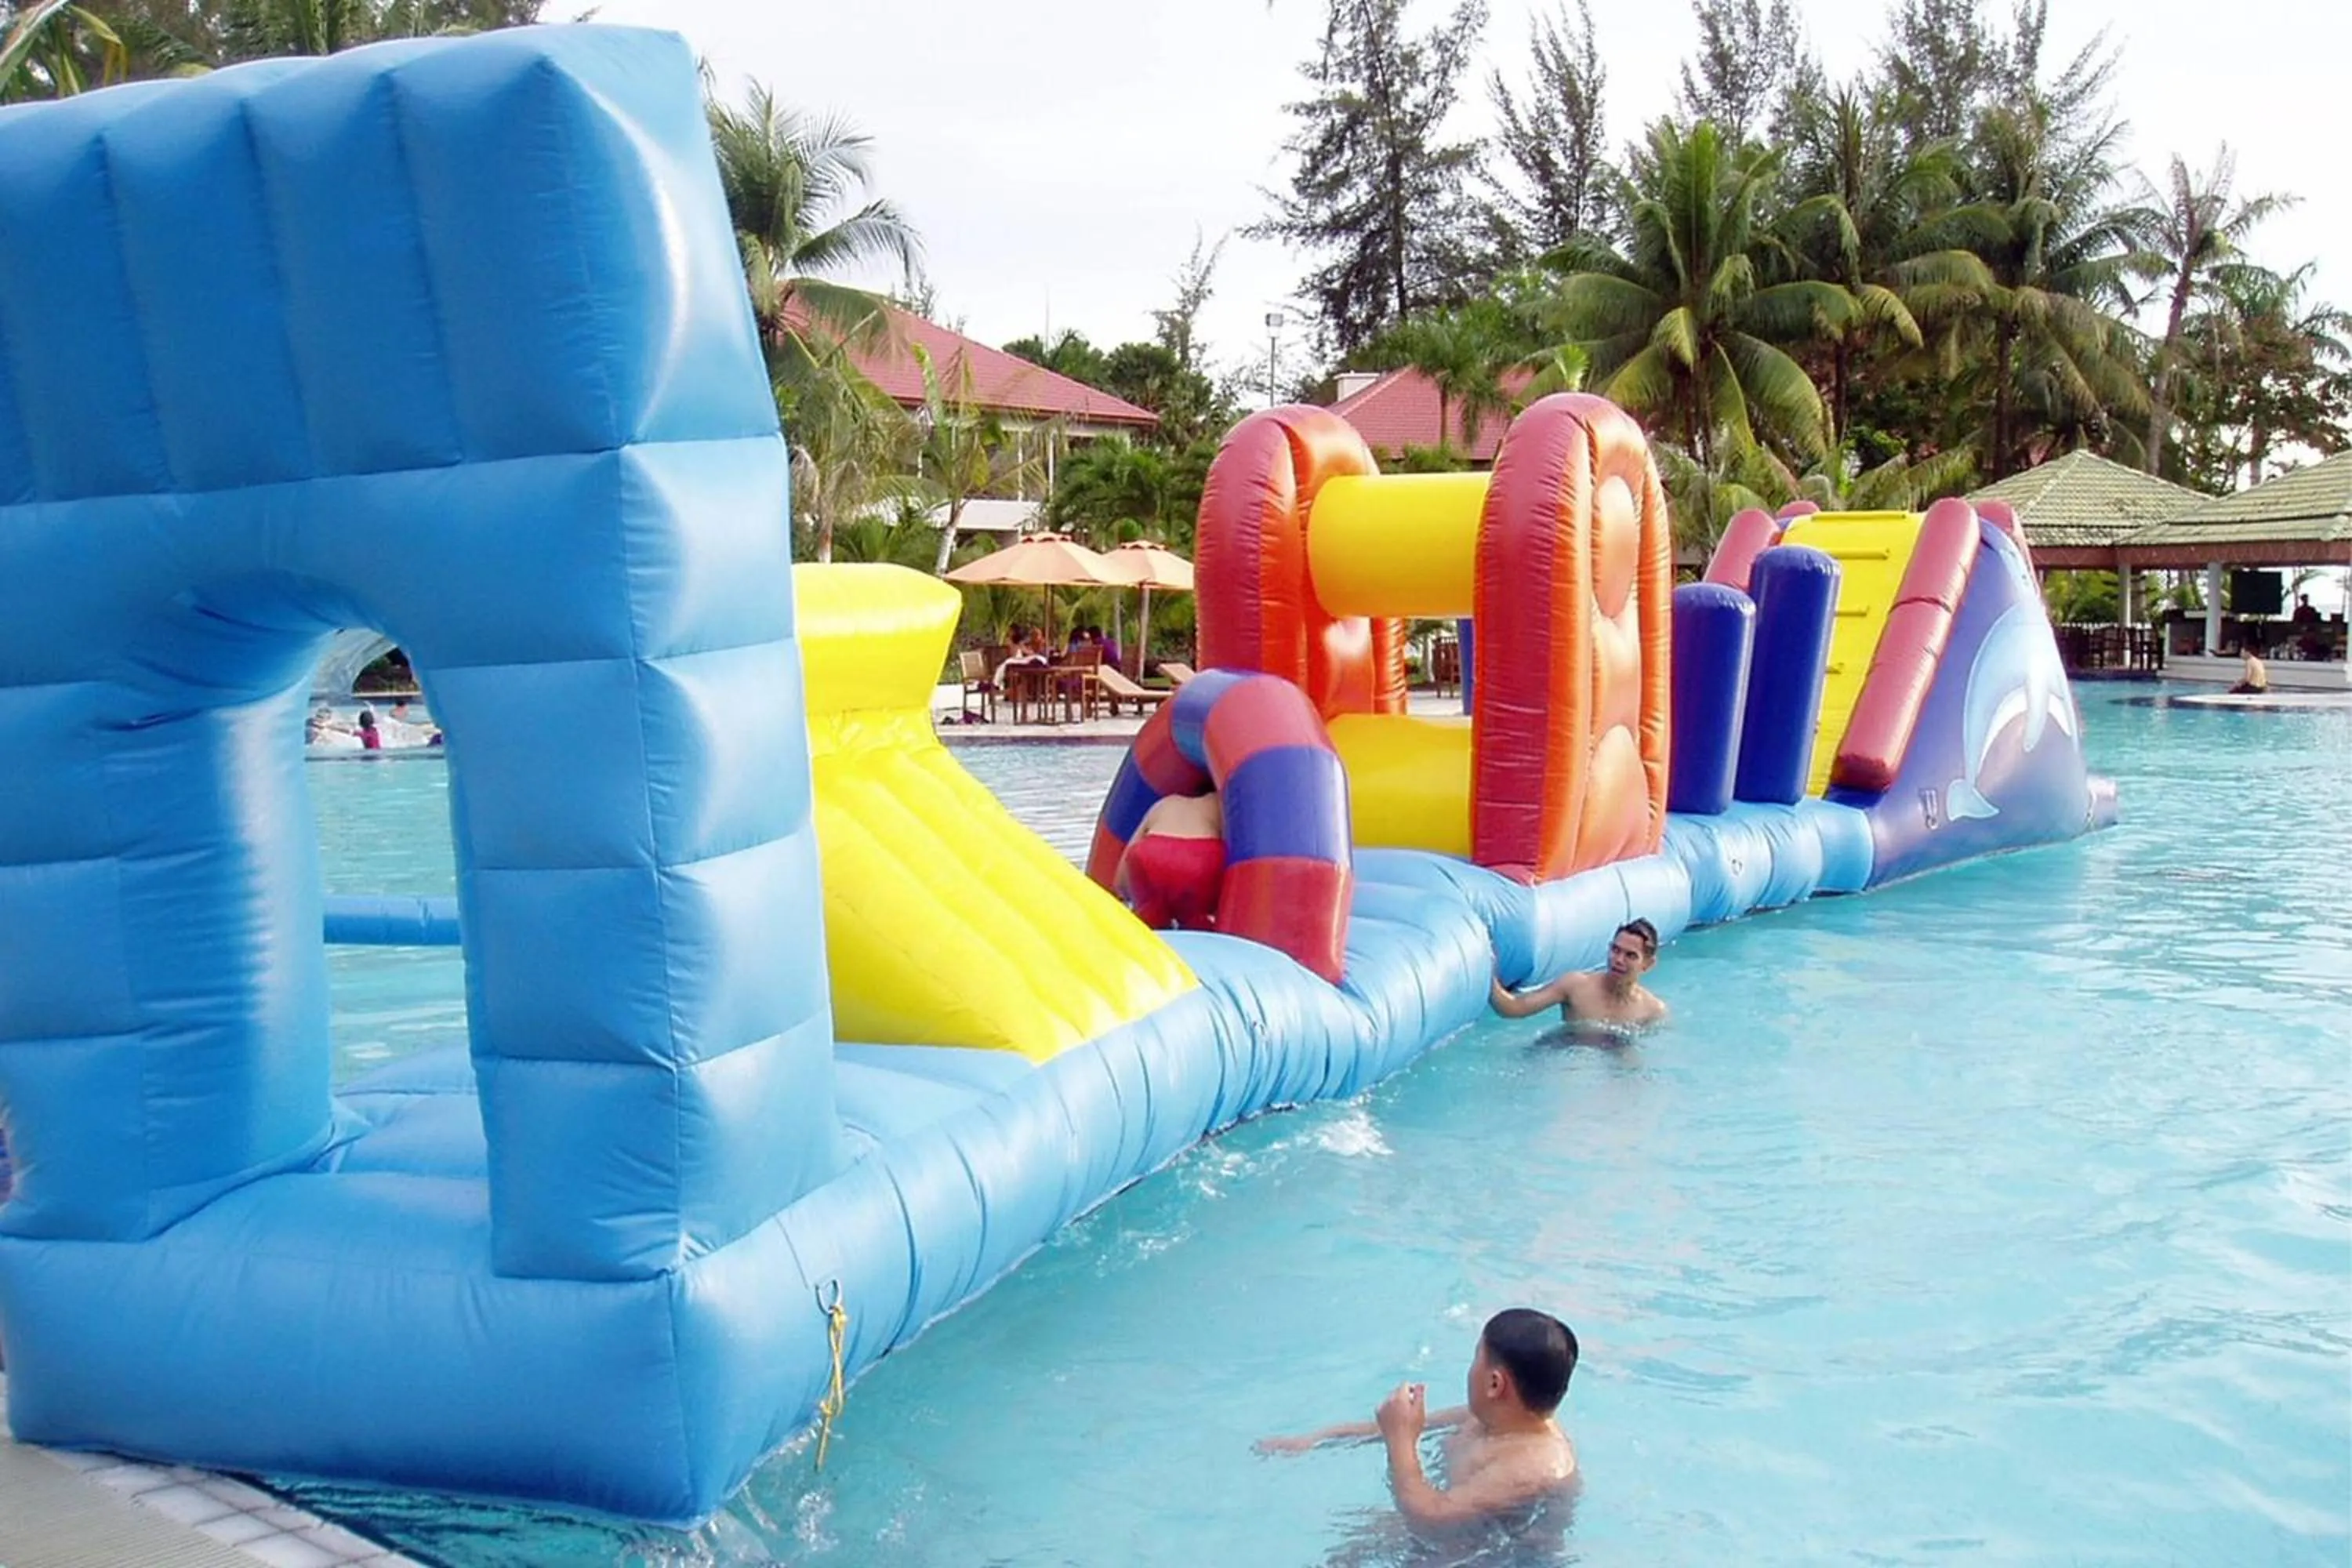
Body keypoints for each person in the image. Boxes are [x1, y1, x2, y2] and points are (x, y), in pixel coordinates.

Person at [1256, 1308, 1581, 1530]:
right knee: (1357, 1540)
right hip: (1460, 1537)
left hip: (1498, 1558)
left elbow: (1429, 1515)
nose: (1470, 1370)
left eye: (1475, 1359)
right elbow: (1389, 1428)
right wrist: (1314, 1439)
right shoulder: (1488, 1418)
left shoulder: (1533, 1466)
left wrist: (1401, 1442)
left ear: (1495, 1384)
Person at [1491, 919, 1668, 1029]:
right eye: (1615, 950)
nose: (1619, 960)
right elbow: (1513, 1008)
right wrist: (1490, 971)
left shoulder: (1652, 1010)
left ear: (1648, 964)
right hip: (1565, 1059)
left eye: (1630, 955)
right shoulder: (1575, 986)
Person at [1114, 789, 1225, 931]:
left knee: (1148, 923)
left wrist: (1124, 891)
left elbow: (1122, 875)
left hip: (1150, 855)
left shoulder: (1164, 804)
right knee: (1198, 926)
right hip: (1200, 860)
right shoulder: (1219, 805)